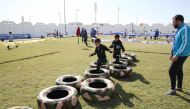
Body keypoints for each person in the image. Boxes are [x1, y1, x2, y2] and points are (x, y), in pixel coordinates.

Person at [166, 15, 190, 95]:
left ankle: (173, 90)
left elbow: (185, 43)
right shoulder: (179, 29)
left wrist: (177, 55)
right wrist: (172, 52)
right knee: (179, 70)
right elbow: (176, 42)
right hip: (178, 53)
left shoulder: (185, 29)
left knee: (171, 71)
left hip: (182, 54)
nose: (172, 23)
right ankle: (179, 87)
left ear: (178, 21)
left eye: (173, 22)